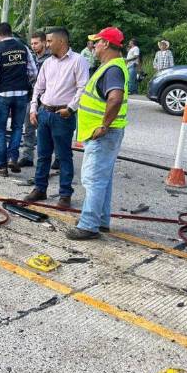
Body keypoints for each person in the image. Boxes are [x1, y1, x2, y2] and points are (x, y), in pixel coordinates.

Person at [67, 27, 129, 240]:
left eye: (97, 42)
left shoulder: (112, 69)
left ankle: (89, 225)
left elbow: (115, 98)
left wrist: (104, 125)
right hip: (106, 133)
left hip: (103, 134)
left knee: (93, 179)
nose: (93, 46)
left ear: (106, 44)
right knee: (103, 178)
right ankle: (100, 220)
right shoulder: (111, 67)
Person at [25, 27, 89, 209]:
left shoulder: (78, 61)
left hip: (63, 115)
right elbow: (38, 87)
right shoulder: (48, 63)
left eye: (50, 41)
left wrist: (70, 108)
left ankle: (65, 194)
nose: (47, 44)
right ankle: (40, 188)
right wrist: (34, 109)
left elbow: (82, 88)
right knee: (43, 154)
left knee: (63, 156)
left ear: (61, 42)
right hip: (44, 113)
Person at [0, 22, 37, 177]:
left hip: (3, 94)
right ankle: (13, 158)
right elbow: (33, 72)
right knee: (17, 127)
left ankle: (2, 166)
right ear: (11, 32)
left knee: (0, 130)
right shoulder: (24, 48)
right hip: (21, 93)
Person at [18, 32, 51, 167]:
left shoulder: (51, 59)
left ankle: (56, 159)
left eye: (36, 43)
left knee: (49, 131)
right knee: (29, 128)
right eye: (31, 43)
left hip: (47, 99)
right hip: (32, 96)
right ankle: (27, 156)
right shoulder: (31, 58)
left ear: (43, 42)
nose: (33, 46)